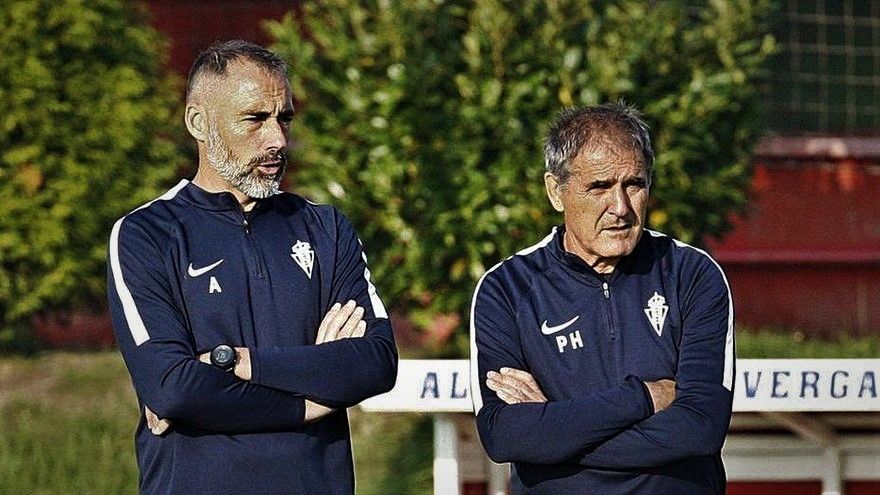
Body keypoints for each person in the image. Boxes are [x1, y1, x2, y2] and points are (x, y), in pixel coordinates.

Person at [107, 40, 397, 494]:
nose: (278, 139)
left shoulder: (324, 227)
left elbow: (375, 363)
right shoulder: (148, 234)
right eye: (255, 119)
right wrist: (311, 399)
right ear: (199, 123)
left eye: (284, 118)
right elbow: (175, 388)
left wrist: (235, 362)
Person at [469, 103, 734, 494]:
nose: (621, 208)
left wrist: (554, 429)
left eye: (635, 184)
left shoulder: (692, 274)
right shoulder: (506, 288)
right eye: (599, 187)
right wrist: (642, 396)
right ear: (555, 192)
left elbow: (699, 429)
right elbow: (504, 437)